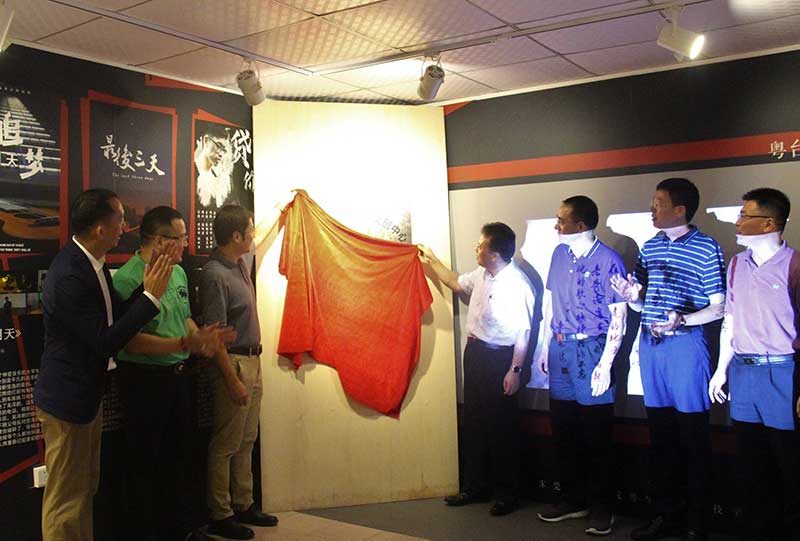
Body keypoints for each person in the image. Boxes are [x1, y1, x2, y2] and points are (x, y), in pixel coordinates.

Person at [33, 189, 174, 541]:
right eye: (120, 219)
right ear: (100, 228)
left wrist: (147, 290)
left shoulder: (93, 265)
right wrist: (150, 297)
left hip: (85, 397)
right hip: (67, 402)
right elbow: (104, 340)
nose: (124, 227)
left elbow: (117, 317)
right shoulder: (70, 275)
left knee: (83, 490)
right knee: (66, 499)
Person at [611, 178, 725, 541]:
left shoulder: (707, 248)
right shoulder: (650, 246)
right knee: (660, 436)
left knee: (693, 436)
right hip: (651, 345)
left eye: (658, 203)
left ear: (680, 209)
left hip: (686, 346)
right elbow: (641, 302)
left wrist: (683, 320)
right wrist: (631, 296)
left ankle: (697, 522)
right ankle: (665, 515)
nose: (652, 209)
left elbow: (719, 306)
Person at [112, 206, 231, 541]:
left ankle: (182, 529)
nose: (186, 244)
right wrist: (183, 342)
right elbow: (130, 341)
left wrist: (202, 338)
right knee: (145, 465)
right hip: (145, 381)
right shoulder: (127, 279)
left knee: (179, 459)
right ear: (159, 240)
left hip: (179, 378)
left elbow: (184, 317)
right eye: (180, 238)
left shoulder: (178, 273)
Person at [418, 222, 534, 516]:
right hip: (476, 354)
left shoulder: (518, 284)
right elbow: (456, 283)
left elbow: (523, 332)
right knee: (474, 422)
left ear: (494, 253)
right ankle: (475, 487)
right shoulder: (482, 274)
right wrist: (432, 260)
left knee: (501, 427)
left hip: (502, 359)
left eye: (480, 245)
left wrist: (515, 370)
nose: (476, 249)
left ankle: (508, 494)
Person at [708, 188, 800, 540]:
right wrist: (721, 369)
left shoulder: (794, 265)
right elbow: (730, 320)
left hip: (783, 371)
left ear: (769, 223)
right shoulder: (736, 264)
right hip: (743, 372)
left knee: (788, 462)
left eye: (745, 215)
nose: (738, 221)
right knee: (750, 462)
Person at [536, 196, 627, 536]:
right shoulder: (559, 254)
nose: (557, 226)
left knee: (596, 433)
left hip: (592, 348)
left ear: (581, 224)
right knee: (564, 428)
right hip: (560, 347)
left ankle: (603, 507)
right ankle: (572, 499)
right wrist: (545, 345)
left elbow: (619, 316)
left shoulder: (609, 260)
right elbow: (550, 302)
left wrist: (605, 363)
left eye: (562, 220)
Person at [201, 205, 278, 540]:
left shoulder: (238, 263)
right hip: (233, 363)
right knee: (226, 443)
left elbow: (262, 233)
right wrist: (231, 379)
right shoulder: (215, 274)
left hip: (252, 360)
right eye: (248, 231)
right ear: (235, 237)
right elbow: (214, 334)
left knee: (246, 439)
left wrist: (280, 209)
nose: (253, 235)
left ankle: (244, 503)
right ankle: (221, 513)